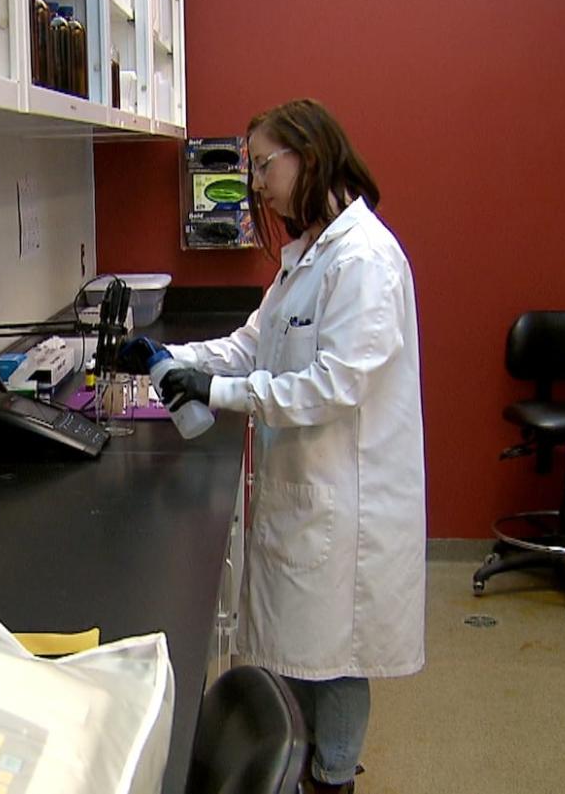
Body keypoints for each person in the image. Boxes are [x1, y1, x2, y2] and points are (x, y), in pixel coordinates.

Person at [119, 98, 426, 794]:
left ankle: (334, 778)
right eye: (252, 166)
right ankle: (314, 764)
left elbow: (331, 385)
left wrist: (215, 392)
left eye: (264, 164)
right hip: (307, 493)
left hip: (348, 502)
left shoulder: (366, 259)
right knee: (305, 653)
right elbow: (251, 345)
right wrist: (169, 355)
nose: (256, 183)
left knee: (339, 656)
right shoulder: (308, 259)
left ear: (309, 156)